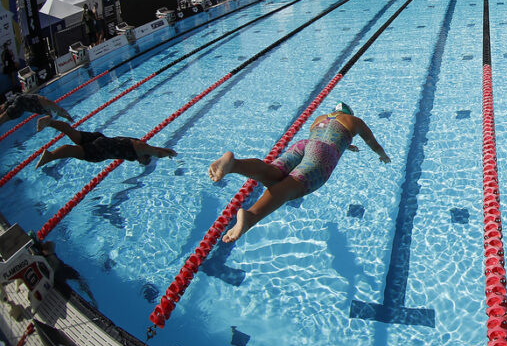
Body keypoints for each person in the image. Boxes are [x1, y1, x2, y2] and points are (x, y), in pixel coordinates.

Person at [209, 103, 390, 243]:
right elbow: (371, 143)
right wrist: (383, 156)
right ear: (349, 113)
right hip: (323, 153)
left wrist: (346, 145)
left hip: (304, 144)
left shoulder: (319, 118)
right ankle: (251, 216)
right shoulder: (355, 121)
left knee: (273, 172)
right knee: (291, 187)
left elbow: (325, 137)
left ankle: (235, 165)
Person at [34, 116, 176, 168]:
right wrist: (169, 154)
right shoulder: (139, 149)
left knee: (73, 133)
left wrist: (167, 151)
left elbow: (154, 149)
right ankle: (50, 156)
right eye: (142, 161)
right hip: (102, 150)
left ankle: (50, 122)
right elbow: (155, 152)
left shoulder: (138, 143)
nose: (139, 162)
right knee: (71, 150)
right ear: (144, 156)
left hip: (101, 138)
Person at [0, 93, 72, 126]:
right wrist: (68, 117)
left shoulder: (46, 110)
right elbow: (61, 110)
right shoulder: (49, 105)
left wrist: (67, 117)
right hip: (21, 101)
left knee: (4, 118)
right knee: (4, 118)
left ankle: (4, 106)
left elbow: (60, 112)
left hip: (21, 102)